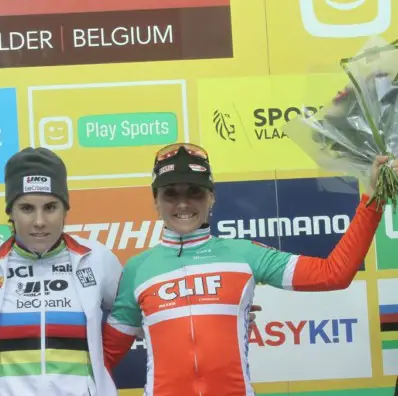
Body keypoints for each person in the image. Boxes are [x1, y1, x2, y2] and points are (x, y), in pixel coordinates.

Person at [101, 143, 390, 396]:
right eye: (170, 194)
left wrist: (373, 200)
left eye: (195, 192)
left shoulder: (243, 254)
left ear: (212, 197)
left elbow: (334, 273)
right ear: (155, 201)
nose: (183, 203)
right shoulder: (138, 270)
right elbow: (101, 361)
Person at [0, 147, 124, 396]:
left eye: (50, 207)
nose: (39, 221)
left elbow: (131, 321)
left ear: (65, 209)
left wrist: (100, 367)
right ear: (10, 212)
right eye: (26, 208)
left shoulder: (97, 259)